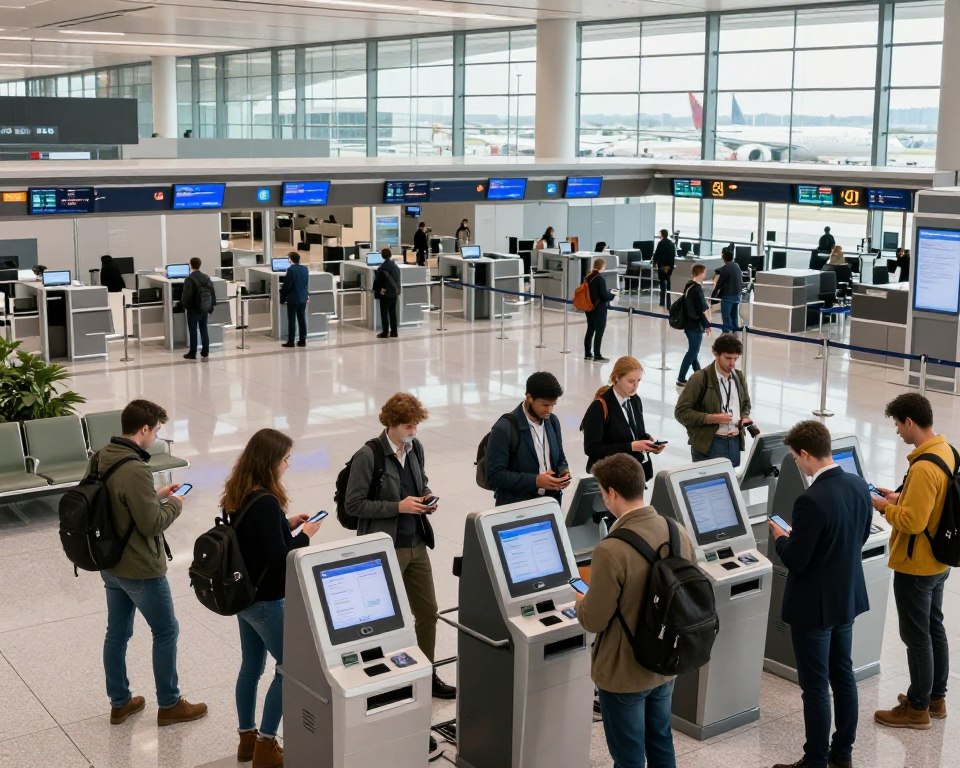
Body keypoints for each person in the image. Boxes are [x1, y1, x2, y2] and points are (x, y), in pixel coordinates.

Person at [344, 393, 456, 760]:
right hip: (385, 547)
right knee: (388, 621)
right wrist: (398, 506)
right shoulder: (369, 455)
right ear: (391, 424)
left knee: (428, 611)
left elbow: (420, 483)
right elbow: (353, 505)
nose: (413, 431)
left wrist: (424, 497)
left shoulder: (415, 447)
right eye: (408, 425)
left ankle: (425, 674)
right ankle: (390, 684)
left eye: (416, 425)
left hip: (416, 542)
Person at [576, 453, 695, 768]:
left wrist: (580, 601)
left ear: (612, 493)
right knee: (660, 742)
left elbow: (594, 619)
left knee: (628, 756)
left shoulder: (611, 549)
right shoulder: (676, 531)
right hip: (665, 660)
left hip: (624, 671)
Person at [94, 399, 207, 728]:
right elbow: (152, 524)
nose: (156, 436)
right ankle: (170, 705)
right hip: (140, 568)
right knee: (166, 631)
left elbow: (116, 502)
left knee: (117, 633)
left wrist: (155, 494)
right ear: (144, 430)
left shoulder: (102, 456)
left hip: (109, 562)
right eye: (156, 430)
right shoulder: (136, 468)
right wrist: (175, 503)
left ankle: (120, 702)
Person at [768, 421, 873, 768]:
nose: (797, 465)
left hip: (814, 606)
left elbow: (797, 561)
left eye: (796, 459)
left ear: (806, 454)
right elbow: (856, 538)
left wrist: (782, 537)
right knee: (843, 673)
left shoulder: (810, 500)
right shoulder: (858, 485)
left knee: (814, 685)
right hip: (846, 595)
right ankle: (842, 753)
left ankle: (814, 760)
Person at [223, 429, 322, 768]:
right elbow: (281, 557)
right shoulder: (265, 500)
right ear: (270, 462)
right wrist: (304, 536)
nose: (288, 465)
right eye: (285, 459)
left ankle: (246, 739)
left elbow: (255, 539)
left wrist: (287, 522)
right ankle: (266, 745)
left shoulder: (238, 492)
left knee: (251, 665)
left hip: (244, 597)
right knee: (290, 667)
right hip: (266, 601)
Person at [872, 393, 953, 730]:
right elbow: (933, 503)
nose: (896, 432)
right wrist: (898, 496)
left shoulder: (922, 468)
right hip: (939, 561)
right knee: (934, 627)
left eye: (897, 425)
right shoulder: (945, 451)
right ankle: (936, 698)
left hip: (915, 565)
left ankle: (917, 708)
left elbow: (913, 523)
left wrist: (882, 507)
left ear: (909, 421)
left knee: (916, 636)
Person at [486, 371, 571, 506]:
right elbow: (494, 475)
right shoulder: (504, 428)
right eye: (544, 405)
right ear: (529, 398)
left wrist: (564, 472)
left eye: (553, 404)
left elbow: (560, 456)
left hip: (550, 503)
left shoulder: (552, 421)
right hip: (517, 508)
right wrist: (535, 481)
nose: (550, 410)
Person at [675, 333, 754, 468]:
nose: (732, 363)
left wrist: (744, 416)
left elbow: (745, 403)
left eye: (736, 358)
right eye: (728, 358)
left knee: (729, 485)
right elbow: (681, 412)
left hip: (734, 442)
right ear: (716, 354)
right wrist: (711, 418)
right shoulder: (699, 378)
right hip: (710, 444)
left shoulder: (739, 376)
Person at [581, 356, 666, 477]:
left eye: (638, 381)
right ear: (616, 378)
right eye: (631, 381)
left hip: (633, 474)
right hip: (610, 476)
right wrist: (630, 447)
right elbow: (592, 449)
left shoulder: (635, 400)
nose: (636, 386)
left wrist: (649, 442)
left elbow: (636, 432)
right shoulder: (598, 407)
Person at [675, 263, 711, 387]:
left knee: (693, 352)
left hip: (688, 324)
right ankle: (681, 377)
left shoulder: (689, 285)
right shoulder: (697, 289)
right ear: (701, 274)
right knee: (692, 351)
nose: (705, 275)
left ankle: (700, 376)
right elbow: (701, 309)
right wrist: (707, 325)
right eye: (704, 273)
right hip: (694, 325)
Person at [179, 257, 216, 361]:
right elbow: (212, 292)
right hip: (204, 308)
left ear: (191, 265)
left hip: (193, 309)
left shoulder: (189, 279)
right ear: (200, 265)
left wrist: (183, 305)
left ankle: (192, 352)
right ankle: (205, 351)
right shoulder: (207, 277)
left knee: (193, 330)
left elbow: (186, 295)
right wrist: (211, 305)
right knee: (204, 329)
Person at [583, 257, 616, 362]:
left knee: (590, 330)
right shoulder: (600, 278)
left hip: (589, 308)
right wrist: (612, 294)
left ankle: (588, 354)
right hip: (599, 309)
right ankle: (597, 355)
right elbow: (604, 296)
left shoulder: (588, 277)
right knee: (599, 332)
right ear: (602, 266)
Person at [280, 251, 309, 348]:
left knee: (292, 320)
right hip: (303, 298)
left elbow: (287, 286)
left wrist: (282, 297)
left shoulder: (290, 270)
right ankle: (302, 340)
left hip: (293, 298)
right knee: (302, 319)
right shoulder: (305, 269)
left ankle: (291, 341)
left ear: (290, 259)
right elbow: (305, 284)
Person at [711, 247, 743, 334]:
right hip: (737, 295)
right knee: (734, 314)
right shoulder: (736, 266)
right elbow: (724, 269)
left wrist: (713, 295)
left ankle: (726, 331)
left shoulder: (726, 269)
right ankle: (735, 328)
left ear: (723, 257)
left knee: (726, 315)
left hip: (728, 296)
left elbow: (720, 283)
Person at [373, 247, 401, 338]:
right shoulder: (395, 266)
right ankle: (394, 332)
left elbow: (379, 282)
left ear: (382, 256)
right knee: (393, 312)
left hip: (385, 293)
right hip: (394, 292)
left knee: (384, 313)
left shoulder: (382, 268)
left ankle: (385, 332)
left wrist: (376, 291)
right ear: (390, 255)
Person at [652, 229, 676, 308]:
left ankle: (662, 302)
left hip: (662, 266)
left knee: (662, 283)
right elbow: (673, 255)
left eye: (659, 234)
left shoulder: (661, 243)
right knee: (668, 283)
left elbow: (657, 254)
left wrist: (654, 263)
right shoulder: (671, 243)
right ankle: (668, 303)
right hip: (669, 266)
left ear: (662, 234)